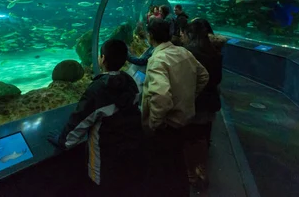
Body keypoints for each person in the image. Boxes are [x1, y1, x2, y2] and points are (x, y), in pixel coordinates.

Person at [47, 39, 143, 195]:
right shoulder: (130, 81)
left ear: (102, 59)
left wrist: (62, 140)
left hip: (106, 161)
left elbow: (79, 123)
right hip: (132, 152)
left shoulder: (98, 89)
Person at [142, 18, 210, 196]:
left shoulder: (156, 60)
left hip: (167, 127)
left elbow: (161, 97)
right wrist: (187, 98)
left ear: (150, 37)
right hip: (184, 122)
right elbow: (204, 76)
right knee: (178, 166)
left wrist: (155, 123)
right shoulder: (183, 52)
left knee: (163, 172)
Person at [180, 19, 223, 193]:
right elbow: (218, 79)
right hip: (210, 102)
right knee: (203, 138)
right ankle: (202, 170)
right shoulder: (215, 52)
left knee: (189, 139)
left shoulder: (188, 53)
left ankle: (191, 174)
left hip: (194, 102)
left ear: (190, 34)